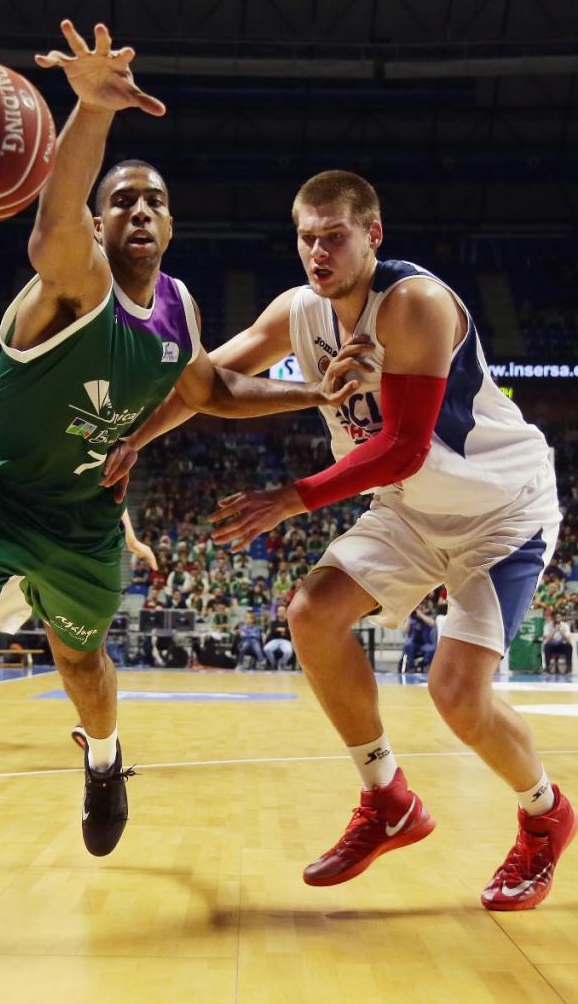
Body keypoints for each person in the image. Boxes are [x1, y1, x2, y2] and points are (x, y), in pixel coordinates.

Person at [0, 24, 360, 969]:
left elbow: (211, 392)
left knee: (83, 663)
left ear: (171, 224)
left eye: (154, 199)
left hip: (79, 518)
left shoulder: (178, 308)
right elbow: (47, 218)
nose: (138, 208)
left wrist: (313, 389)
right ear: (100, 222)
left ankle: (104, 761)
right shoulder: (71, 277)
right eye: (121, 200)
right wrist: (90, 109)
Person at [104, 168, 576, 911]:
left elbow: (403, 448)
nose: (317, 253)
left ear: (372, 235)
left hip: (499, 513)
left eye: (333, 237)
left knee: (455, 692)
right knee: (310, 611)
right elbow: (205, 380)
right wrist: (136, 438)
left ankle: (546, 812)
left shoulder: (414, 303)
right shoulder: (298, 312)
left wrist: (288, 499)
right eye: (305, 239)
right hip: (409, 511)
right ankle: (387, 797)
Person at [400, 600, 437, 672]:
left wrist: (421, 615)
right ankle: (411, 666)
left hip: (425, 644)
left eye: (420, 607)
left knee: (432, 649)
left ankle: (422, 664)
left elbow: (432, 623)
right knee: (407, 645)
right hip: (413, 643)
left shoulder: (427, 616)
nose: (418, 609)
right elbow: (405, 630)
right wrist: (409, 617)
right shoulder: (411, 618)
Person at [264, 604, 294, 669]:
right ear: (277, 612)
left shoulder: (289, 622)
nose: (281, 612)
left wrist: (280, 629)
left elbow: (290, 632)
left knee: (288, 651)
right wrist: (285, 630)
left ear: (286, 612)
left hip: (286, 641)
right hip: (275, 640)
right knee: (266, 649)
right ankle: (273, 664)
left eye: (282, 611)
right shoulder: (273, 622)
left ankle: (282, 663)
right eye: (279, 611)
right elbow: (272, 632)